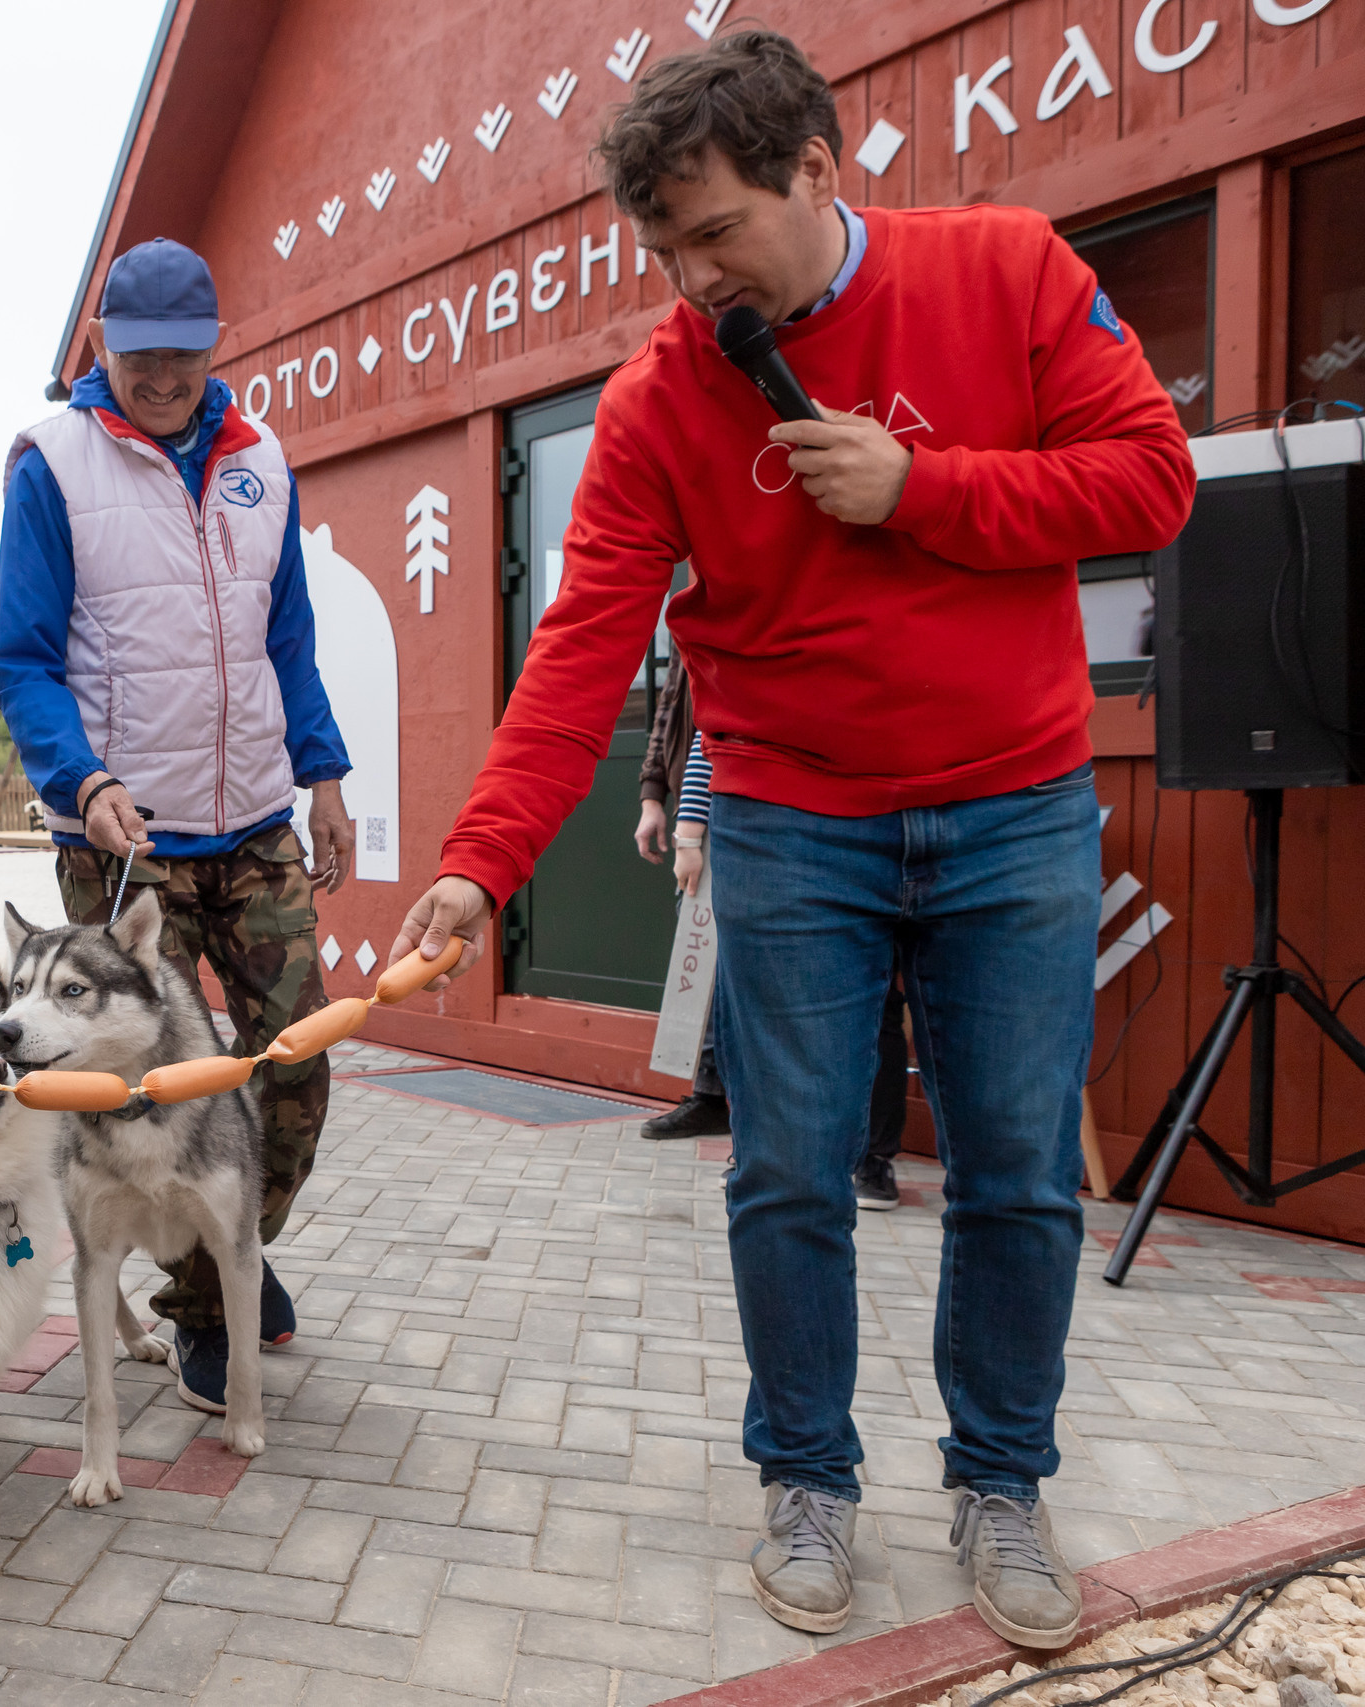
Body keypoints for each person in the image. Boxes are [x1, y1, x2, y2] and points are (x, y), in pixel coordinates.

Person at [388, 29, 1192, 1648]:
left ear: (818, 168)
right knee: (786, 1168)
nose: (694, 283)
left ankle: (1001, 1482)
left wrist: (924, 487)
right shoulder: (655, 404)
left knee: (1018, 1171)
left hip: (1015, 803)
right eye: (663, 250)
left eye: (715, 232)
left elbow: (1149, 483)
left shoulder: (1009, 273)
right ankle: (808, 1479)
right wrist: (482, 862)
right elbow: (581, 652)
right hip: (791, 816)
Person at [0, 236, 353, 1413]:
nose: (159, 379)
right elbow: (22, 660)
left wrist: (324, 775)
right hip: (123, 839)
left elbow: (287, 638)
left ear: (215, 345)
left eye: (182, 358)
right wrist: (81, 778)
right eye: (137, 357)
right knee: (152, 1088)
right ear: (101, 345)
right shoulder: (52, 465)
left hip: (254, 823)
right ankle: (205, 1299)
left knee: (296, 1064)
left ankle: (213, 1265)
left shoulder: (262, 461)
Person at [650, 720, 909, 1212]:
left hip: (899, 818)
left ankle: (873, 1158)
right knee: (773, 1009)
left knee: (881, 1008)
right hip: (786, 829)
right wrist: (688, 834)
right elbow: (711, 734)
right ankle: (766, 1153)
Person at [634, 668, 731, 1138]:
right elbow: (672, 708)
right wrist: (653, 795)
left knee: (729, 965)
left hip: (735, 807)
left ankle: (724, 1098)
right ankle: (709, 1095)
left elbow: (713, 727)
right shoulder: (683, 634)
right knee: (700, 957)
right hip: (699, 811)